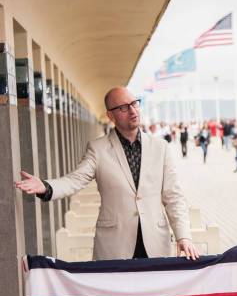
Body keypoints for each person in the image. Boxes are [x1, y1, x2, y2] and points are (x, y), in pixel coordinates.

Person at [15, 86, 198, 260]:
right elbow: (75, 180)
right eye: (123, 108)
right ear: (111, 115)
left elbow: (173, 196)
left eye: (134, 103)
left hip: (156, 243)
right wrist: (46, 187)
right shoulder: (98, 149)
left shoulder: (161, 148)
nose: (133, 111)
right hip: (114, 246)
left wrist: (184, 236)